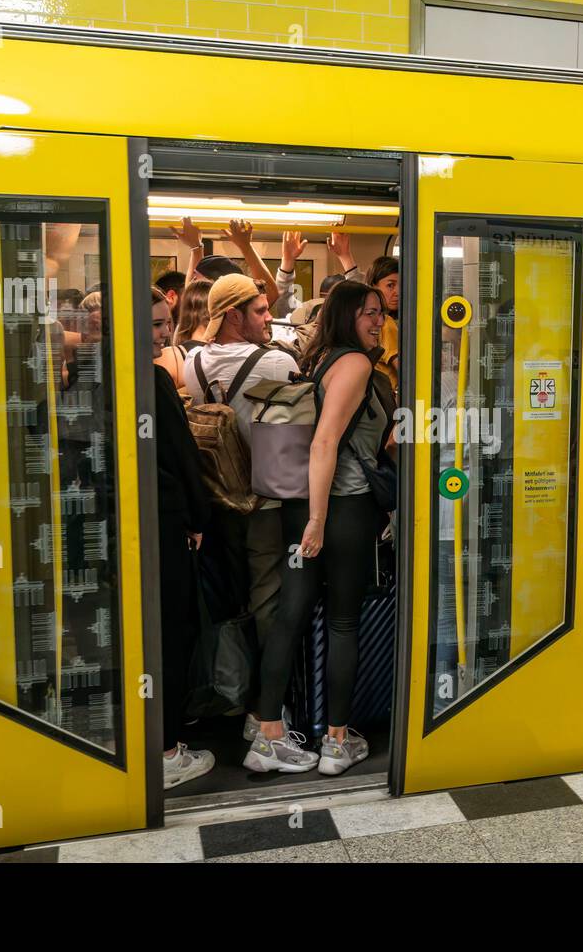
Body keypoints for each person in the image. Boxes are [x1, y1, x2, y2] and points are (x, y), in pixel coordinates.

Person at [244, 280, 390, 775]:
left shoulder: (319, 359)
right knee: (343, 620)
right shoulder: (355, 364)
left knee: (291, 613)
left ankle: (267, 737)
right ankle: (336, 741)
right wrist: (320, 520)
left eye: (381, 312)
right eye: (370, 312)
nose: (379, 320)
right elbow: (325, 442)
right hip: (340, 510)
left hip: (298, 507)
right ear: (348, 314)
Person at [182, 274, 297, 716]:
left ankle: (232, 687)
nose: (269, 319)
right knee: (269, 600)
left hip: (218, 501)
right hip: (264, 499)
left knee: (234, 599)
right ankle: (267, 705)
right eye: (260, 311)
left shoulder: (192, 363)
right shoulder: (272, 364)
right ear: (233, 315)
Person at [149, 287, 216, 789]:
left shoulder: (88, 376)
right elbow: (182, 457)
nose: (161, 333)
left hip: (124, 526)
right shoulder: (151, 380)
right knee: (171, 634)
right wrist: (198, 519)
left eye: (164, 322)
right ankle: (168, 749)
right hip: (164, 522)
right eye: (150, 324)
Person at [274, 230, 362, 323]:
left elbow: (361, 300)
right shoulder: (306, 317)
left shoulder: (349, 321)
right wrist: (287, 261)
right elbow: (284, 302)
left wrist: (345, 257)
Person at [366, 254, 400, 396]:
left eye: (401, 285)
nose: (397, 292)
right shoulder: (386, 323)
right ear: (374, 287)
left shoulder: (367, 321)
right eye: (390, 285)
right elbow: (402, 368)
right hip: (390, 398)